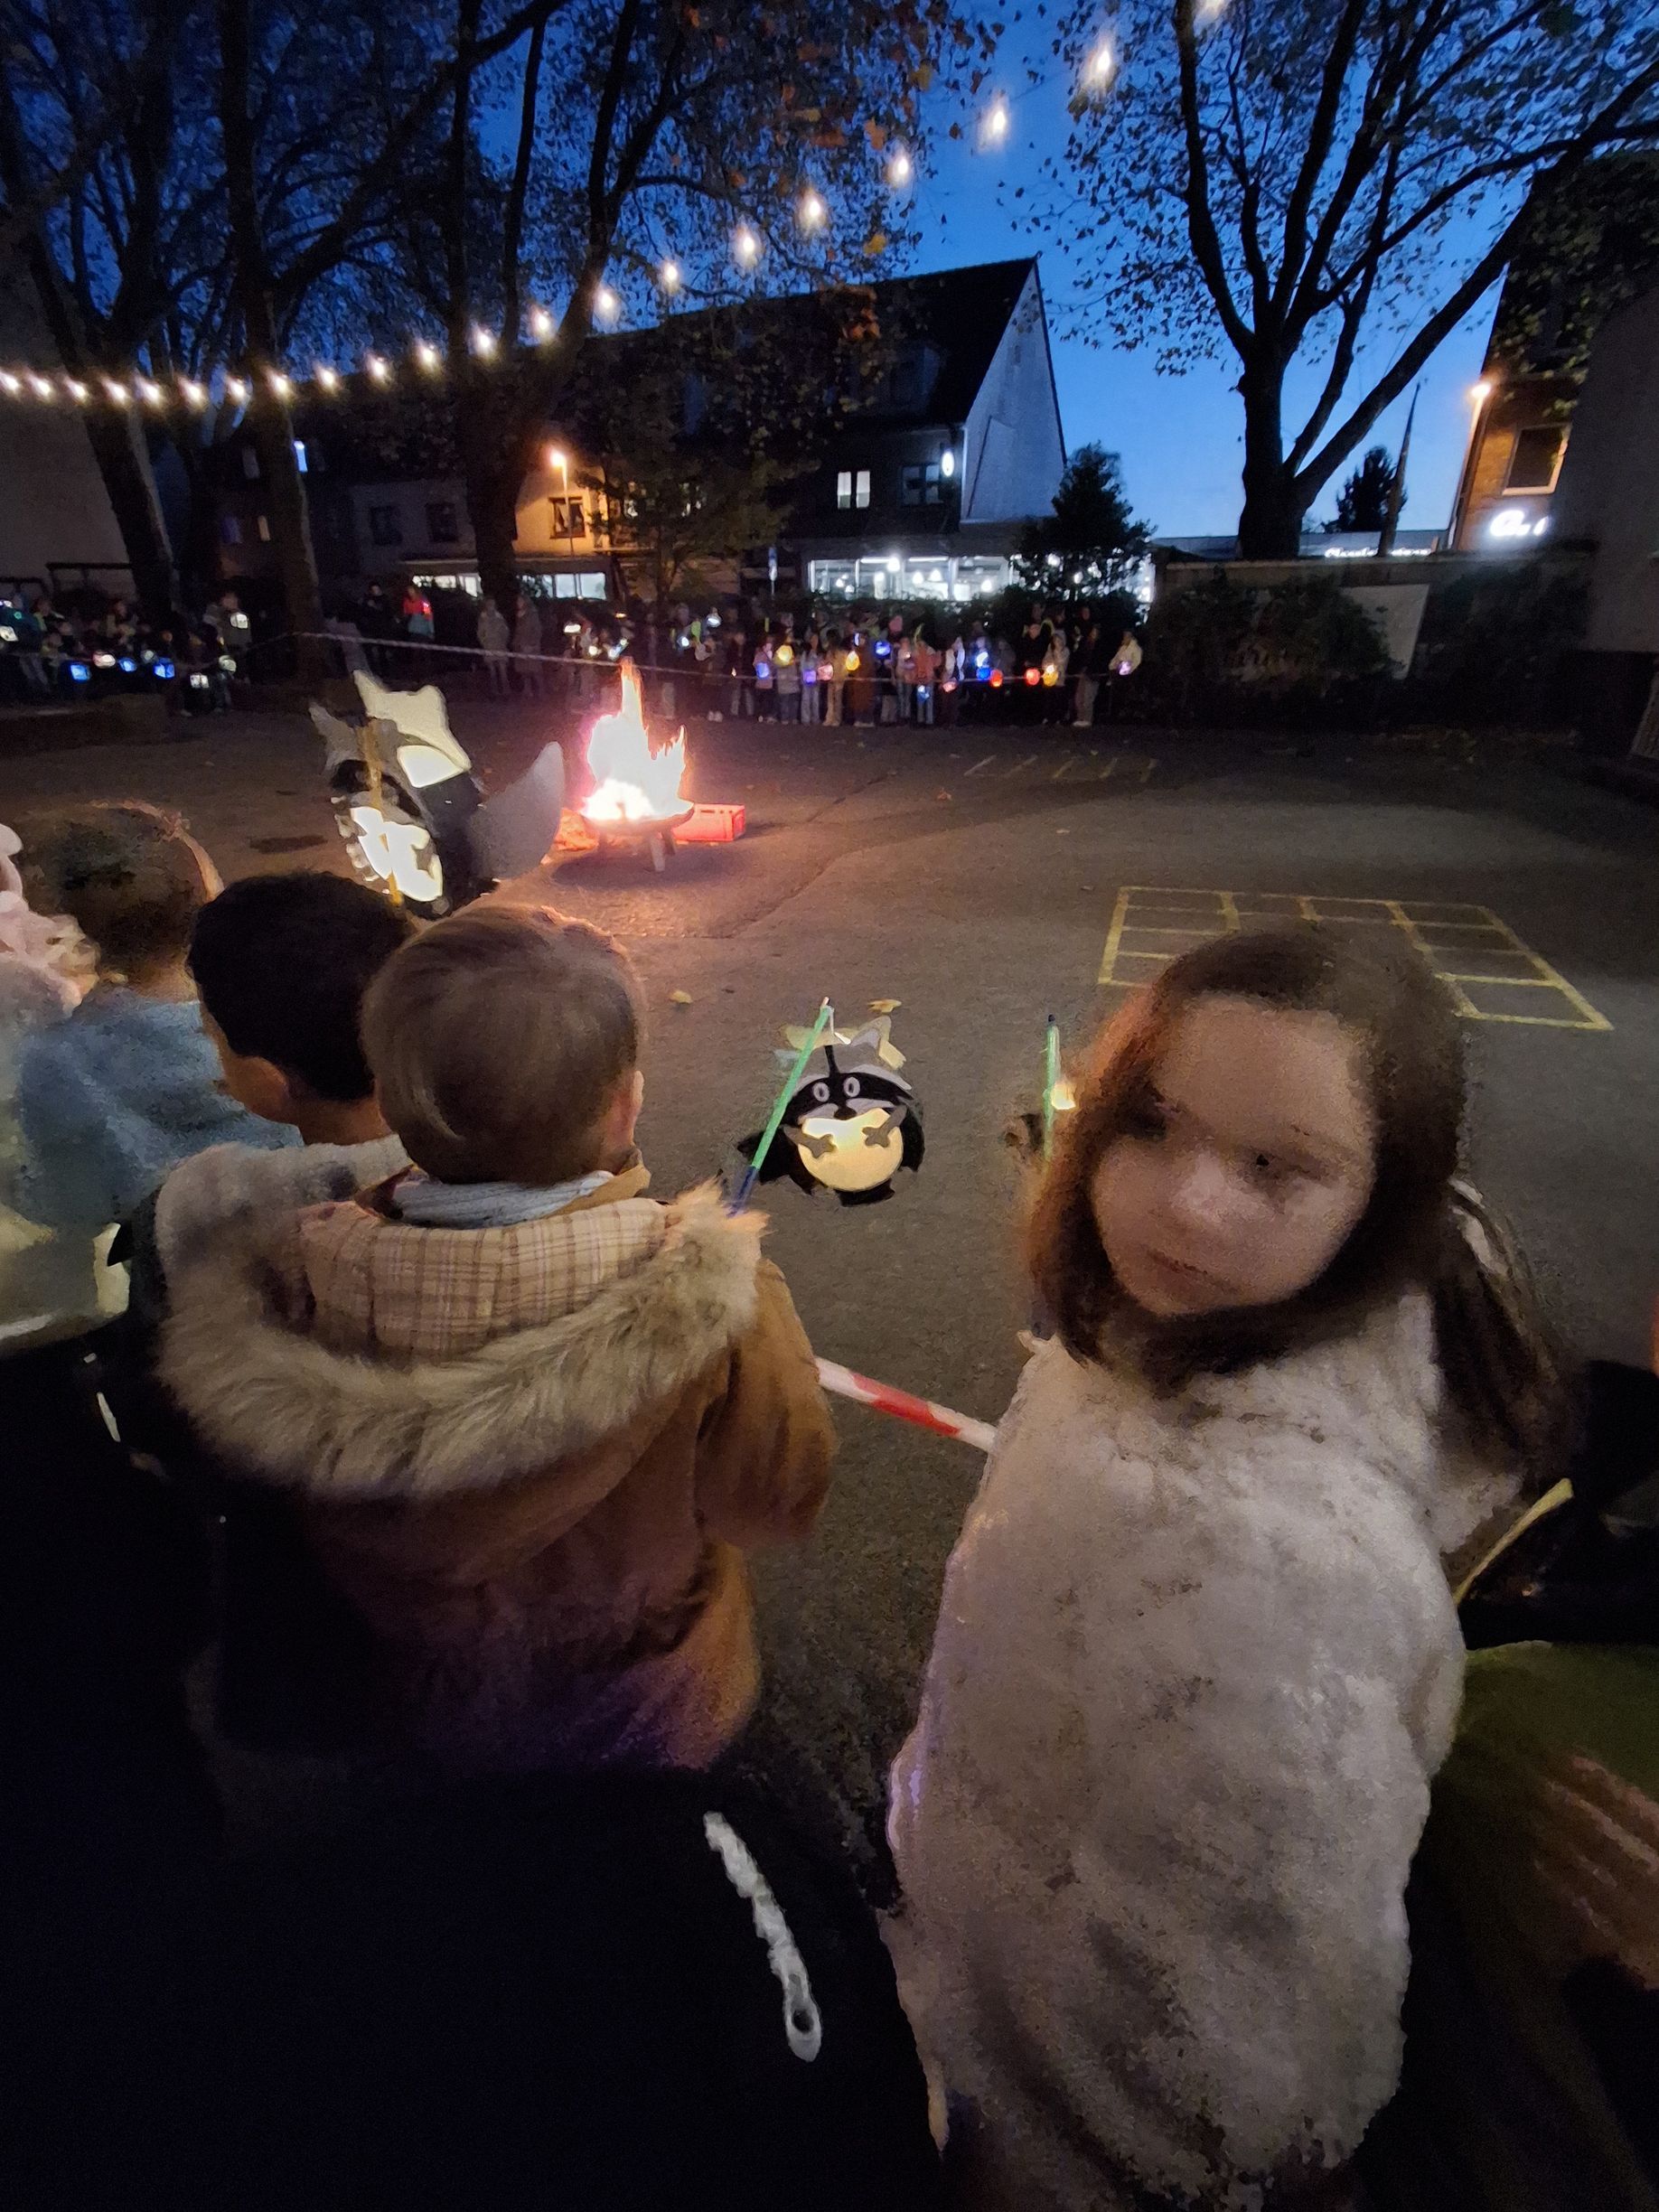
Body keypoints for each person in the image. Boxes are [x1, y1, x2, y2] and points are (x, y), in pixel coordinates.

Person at [887, 925, 1558, 2212]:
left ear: (1384, 1204)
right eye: (1154, 1125)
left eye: (1275, 1166)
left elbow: (1236, 2056)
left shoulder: (1275, 1575)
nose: (1189, 1204)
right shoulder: (1167, 1345)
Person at [161, 904, 837, 1775]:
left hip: (407, 1697)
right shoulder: (717, 1301)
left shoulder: (289, 1283)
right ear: (626, 1106)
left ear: (388, 1103)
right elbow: (771, 1502)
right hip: (648, 1702)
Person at [9, 808, 293, 1238]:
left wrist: (14, 1185)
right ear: (205, 894)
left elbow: (73, 1204)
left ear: (75, 920)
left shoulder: (58, 1060)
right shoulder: (279, 1004)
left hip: (173, 1261)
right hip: (303, 1231)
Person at [476, 595, 511, 697]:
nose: (491, 606)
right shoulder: (483, 618)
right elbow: (480, 633)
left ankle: (506, 692)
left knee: (503, 671)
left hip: (500, 647)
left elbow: (505, 631)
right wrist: (485, 643)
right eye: (489, 604)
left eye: (492, 604)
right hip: (489, 647)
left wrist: (503, 642)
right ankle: (494, 692)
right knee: (492, 672)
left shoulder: (499, 617)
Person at [511, 592, 543, 695]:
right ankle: (527, 691)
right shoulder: (519, 615)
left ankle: (541, 691)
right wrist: (516, 644)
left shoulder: (532, 614)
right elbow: (518, 631)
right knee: (524, 671)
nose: (518, 603)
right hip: (521, 646)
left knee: (535, 670)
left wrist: (532, 645)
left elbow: (537, 630)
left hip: (531, 647)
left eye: (520, 601)